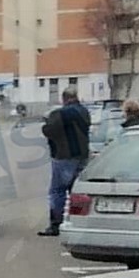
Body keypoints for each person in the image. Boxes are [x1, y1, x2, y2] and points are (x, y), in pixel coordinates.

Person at [38, 86, 91, 237]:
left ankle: (56, 223)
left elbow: (50, 131)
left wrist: (45, 124)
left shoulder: (59, 114)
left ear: (64, 98)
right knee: (77, 191)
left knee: (57, 191)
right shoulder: (84, 111)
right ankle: (78, 222)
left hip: (63, 156)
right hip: (82, 156)